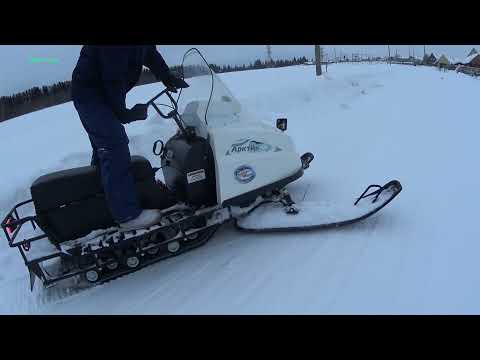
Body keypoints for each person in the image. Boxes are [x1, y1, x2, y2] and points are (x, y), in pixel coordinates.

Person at [71, 45, 182, 231]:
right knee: (114, 144)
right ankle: (127, 215)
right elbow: (113, 77)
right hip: (90, 95)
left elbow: (149, 54)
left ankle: (102, 201)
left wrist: (167, 77)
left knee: (104, 149)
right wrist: (123, 114)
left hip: (102, 92)